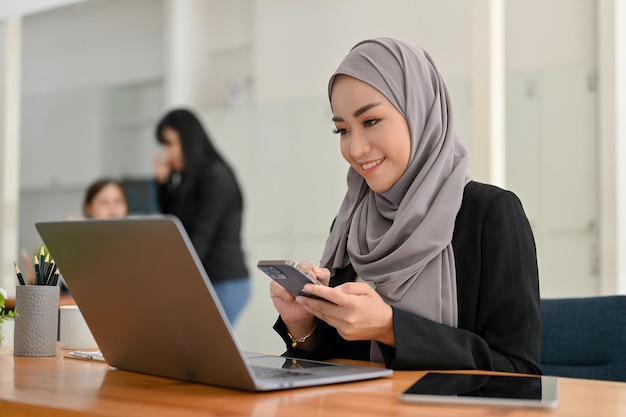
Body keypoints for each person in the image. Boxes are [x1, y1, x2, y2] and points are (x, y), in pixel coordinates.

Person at [270, 37, 541, 374]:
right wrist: (304, 325)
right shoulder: (351, 224)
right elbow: (338, 364)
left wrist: (391, 328)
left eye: (370, 122)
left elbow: (520, 372)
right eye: (342, 129)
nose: (355, 149)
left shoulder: (490, 215)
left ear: (419, 113)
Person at [154, 108, 250, 324]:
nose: (167, 153)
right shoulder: (190, 179)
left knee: (209, 351)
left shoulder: (215, 177)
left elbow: (201, 235)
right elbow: (174, 224)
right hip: (209, 279)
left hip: (223, 280)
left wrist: (177, 281)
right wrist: (163, 184)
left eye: (170, 143)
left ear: (188, 141)